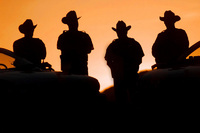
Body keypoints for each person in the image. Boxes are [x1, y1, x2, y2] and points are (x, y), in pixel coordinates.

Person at [105, 21, 144, 104]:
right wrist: (116, 69)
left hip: (129, 76)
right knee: (124, 101)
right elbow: (108, 61)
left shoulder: (132, 44)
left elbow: (139, 59)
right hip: (122, 77)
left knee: (133, 99)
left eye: (122, 31)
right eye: (120, 31)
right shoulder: (114, 45)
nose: (120, 33)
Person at [57, 10, 94, 75]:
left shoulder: (84, 36)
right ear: (68, 23)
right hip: (70, 72)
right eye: (73, 21)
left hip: (80, 70)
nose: (75, 23)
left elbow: (89, 50)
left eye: (75, 21)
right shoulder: (63, 37)